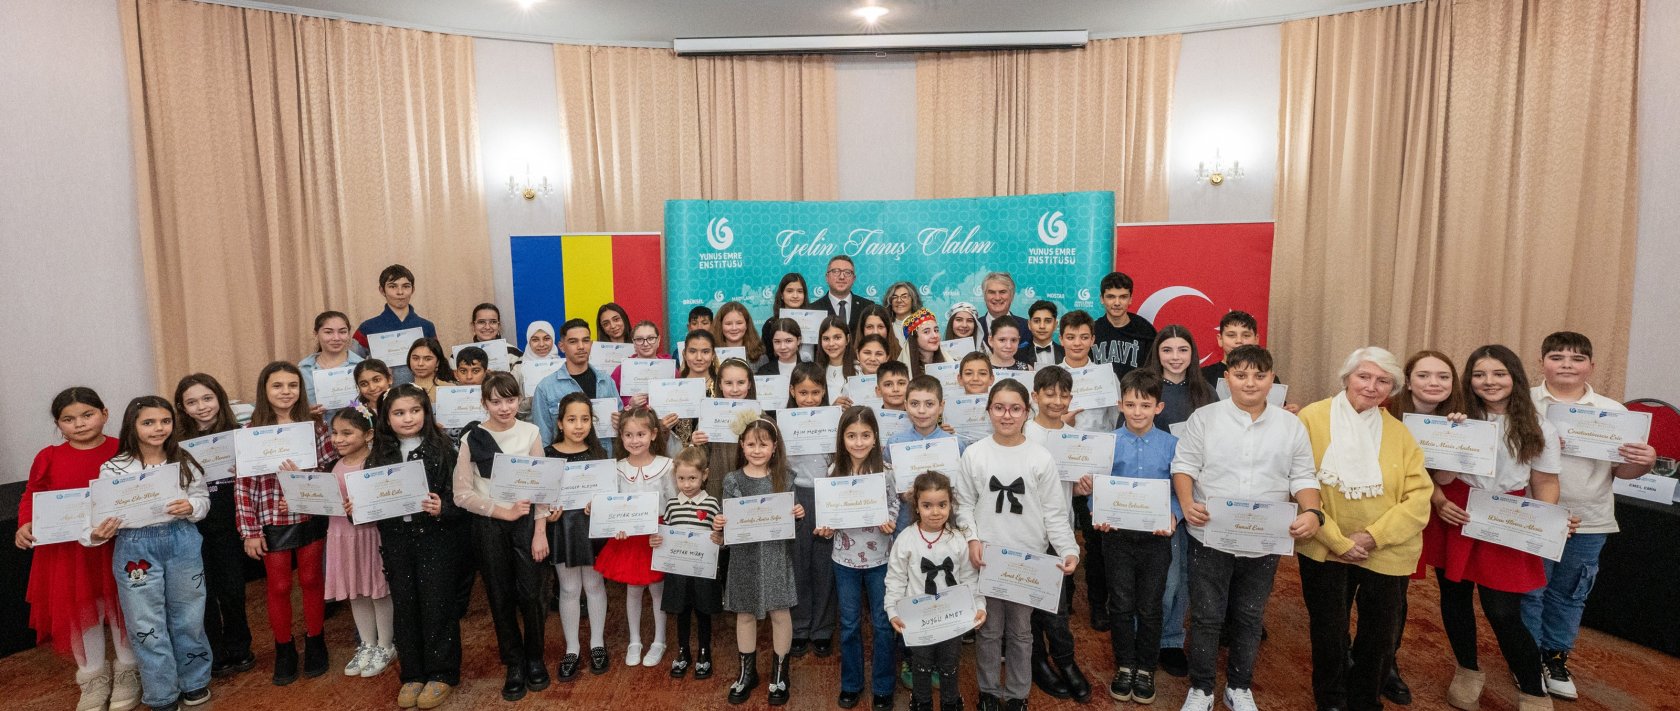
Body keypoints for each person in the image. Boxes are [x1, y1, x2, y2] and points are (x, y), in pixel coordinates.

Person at [1171, 345, 1322, 711]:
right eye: (1241, 375)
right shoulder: (1204, 418)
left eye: (1259, 375)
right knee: (1207, 616)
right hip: (1210, 535)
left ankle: (1238, 686)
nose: (1250, 383)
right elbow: (1184, 466)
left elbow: (1303, 475)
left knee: (1249, 615)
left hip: (1265, 541)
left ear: (1272, 380)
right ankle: (1202, 689)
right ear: (1227, 379)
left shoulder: (1291, 426)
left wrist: (1313, 511)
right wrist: (1188, 503)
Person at [1422, 345, 1571, 711]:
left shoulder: (1539, 426)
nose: (1489, 381)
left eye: (1499, 373)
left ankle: (1533, 690)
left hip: (1507, 514)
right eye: (1479, 374)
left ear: (1514, 377)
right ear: (1468, 380)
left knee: (1503, 611)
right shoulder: (1455, 418)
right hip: (1456, 509)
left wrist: (1543, 522)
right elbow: (1437, 476)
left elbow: (1545, 481)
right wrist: (1453, 441)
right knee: (1454, 598)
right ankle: (1467, 670)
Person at [1295, 347, 1433, 711]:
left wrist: (1372, 537)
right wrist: (1337, 540)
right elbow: (1297, 483)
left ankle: (1365, 700)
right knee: (1328, 631)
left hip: (1386, 550)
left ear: (1392, 388)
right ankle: (1331, 699)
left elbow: (1419, 498)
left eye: (1383, 381)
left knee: (1380, 635)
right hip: (1324, 545)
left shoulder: (1400, 434)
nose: (1372, 387)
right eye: (1364, 376)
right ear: (1346, 378)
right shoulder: (1312, 418)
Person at [1522, 332, 1656, 700]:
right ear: (1541, 362)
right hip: (1533, 514)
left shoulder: (1615, 412)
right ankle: (1526, 659)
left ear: (1591, 366)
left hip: (1590, 518)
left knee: (1569, 593)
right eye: (1557, 356)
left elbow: (1622, 472)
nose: (1566, 364)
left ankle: (1554, 658)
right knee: (1530, 591)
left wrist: (1643, 463)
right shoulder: (1523, 402)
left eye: (1577, 358)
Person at [954, 379, 1080, 711]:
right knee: (989, 630)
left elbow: (1054, 512)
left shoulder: (1040, 457)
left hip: (1028, 559)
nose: (1006, 415)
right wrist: (972, 538)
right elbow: (963, 504)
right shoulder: (975, 454)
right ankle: (988, 691)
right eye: (999, 408)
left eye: (1015, 408)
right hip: (987, 558)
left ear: (1027, 411)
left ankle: (1017, 694)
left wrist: (1069, 549)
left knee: (1022, 632)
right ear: (988, 411)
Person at [86, 397, 213, 711]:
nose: (158, 428)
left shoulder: (183, 459)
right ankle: (161, 692)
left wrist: (191, 506)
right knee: (145, 623)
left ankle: (194, 680)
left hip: (181, 540)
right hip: (135, 547)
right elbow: (99, 515)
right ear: (133, 425)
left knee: (190, 615)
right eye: (148, 422)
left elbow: (202, 498)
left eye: (165, 421)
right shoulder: (114, 468)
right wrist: (98, 533)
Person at [18, 388, 140, 711]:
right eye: (69, 419)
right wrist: (25, 522)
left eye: (87, 415)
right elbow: (32, 493)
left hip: (116, 545)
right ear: (58, 425)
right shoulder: (48, 456)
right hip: (69, 553)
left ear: (105, 413)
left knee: (124, 608)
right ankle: (92, 678)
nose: (80, 424)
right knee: (83, 613)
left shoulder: (124, 448)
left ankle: (129, 672)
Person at [1375, 349, 1467, 704]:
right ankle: (1362, 655)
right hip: (1380, 508)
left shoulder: (1459, 419)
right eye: (1424, 375)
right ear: (1408, 381)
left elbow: (1442, 478)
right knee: (1377, 589)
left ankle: (1387, 663)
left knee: (1396, 592)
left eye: (1443, 376)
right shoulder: (1383, 412)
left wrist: (1456, 441)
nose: (1433, 383)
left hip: (1421, 511)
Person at [367, 384, 466, 710]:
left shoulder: (443, 450)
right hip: (397, 541)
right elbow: (369, 501)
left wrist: (443, 508)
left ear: (426, 412)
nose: (407, 418)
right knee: (405, 606)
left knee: (438, 604)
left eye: (414, 411)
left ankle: (442, 672)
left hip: (436, 540)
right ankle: (412, 673)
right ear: (387, 418)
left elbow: (461, 497)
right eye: (399, 413)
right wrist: (358, 506)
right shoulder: (379, 455)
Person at [235, 362, 335, 686]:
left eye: (292, 385)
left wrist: (303, 481)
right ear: (264, 390)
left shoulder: (315, 426)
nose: (286, 392)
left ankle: (316, 640)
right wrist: (249, 531)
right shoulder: (250, 431)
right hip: (271, 517)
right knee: (278, 586)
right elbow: (243, 484)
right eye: (277, 386)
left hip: (309, 512)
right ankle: (284, 648)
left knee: (311, 579)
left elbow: (329, 468)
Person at [1084, 369, 1180, 705]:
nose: (1137, 411)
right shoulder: (1107, 443)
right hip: (1118, 538)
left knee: (1151, 605)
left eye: (1145, 405)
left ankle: (1146, 668)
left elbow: (1180, 490)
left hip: (1156, 539)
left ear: (1158, 407)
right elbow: (1096, 487)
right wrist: (1097, 510)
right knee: (1122, 603)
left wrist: (1174, 515)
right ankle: (1125, 664)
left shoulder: (1172, 445)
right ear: (1120, 405)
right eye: (1131, 404)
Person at [452, 372, 549, 701]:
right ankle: (514, 662)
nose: (504, 407)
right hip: (489, 525)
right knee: (499, 594)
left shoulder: (531, 432)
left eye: (510, 400)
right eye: (496, 401)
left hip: (526, 524)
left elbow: (543, 486)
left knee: (532, 594)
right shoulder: (472, 439)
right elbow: (461, 494)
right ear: (484, 403)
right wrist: (500, 511)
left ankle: (535, 657)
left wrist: (540, 531)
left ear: (519, 400)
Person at [713, 415, 806, 706]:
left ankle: (780, 674)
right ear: (741, 445)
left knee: (780, 612)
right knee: (744, 613)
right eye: (751, 444)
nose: (756, 450)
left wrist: (798, 516)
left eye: (763, 444)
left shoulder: (785, 478)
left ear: (774, 447)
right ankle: (747, 673)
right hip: (744, 557)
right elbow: (728, 527)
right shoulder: (732, 480)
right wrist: (720, 525)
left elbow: (792, 526)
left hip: (776, 555)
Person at [1139, 328, 1217, 678]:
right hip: (1157, 495)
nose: (1174, 357)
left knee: (1185, 574)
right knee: (1162, 577)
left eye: (1182, 350)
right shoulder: (1144, 386)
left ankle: (1171, 639)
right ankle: (1146, 636)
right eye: (1167, 349)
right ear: (1157, 353)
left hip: (1197, 495)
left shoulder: (1206, 392)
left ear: (1192, 353)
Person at [298, 407, 395, 681]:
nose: (338, 439)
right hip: (341, 536)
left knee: (377, 590)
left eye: (347, 433)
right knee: (355, 591)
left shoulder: (375, 463)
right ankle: (367, 643)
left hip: (369, 536)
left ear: (369, 435)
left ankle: (386, 645)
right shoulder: (333, 465)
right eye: (335, 433)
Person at [817, 407, 900, 710]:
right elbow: (827, 514)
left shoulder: (886, 471)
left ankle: (883, 686)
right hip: (845, 561)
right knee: (849, 624)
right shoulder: (833, 472)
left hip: (881, 559)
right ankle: (851, 684)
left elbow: (894, 504)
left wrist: (890, 520)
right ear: (842, 438)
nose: (859, 442)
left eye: (865, 435)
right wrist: (826, 528)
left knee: (882, 624)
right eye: (851, 436)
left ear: (875, 437)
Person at [174, 374, 257, 678]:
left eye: (207, 398)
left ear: (219, 399)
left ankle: (240, 646)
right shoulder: (175, 443)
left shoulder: (240, 433)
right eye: (192, 402)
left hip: (229, 521)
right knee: (203, 593)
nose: (202, 407)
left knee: (232, 589)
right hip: (192, 525)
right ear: (182, 408)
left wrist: (246, 468)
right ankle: (214, 652)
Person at [884, 471, 986, 711]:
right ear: (916, 506)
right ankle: (922, 702)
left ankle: (951, 702)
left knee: (950, 664)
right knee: (921, 665)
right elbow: (895, 579)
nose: (935, 512)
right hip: (919, 619)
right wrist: (892, 610)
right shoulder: (906, 539)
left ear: (951, 505)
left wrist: (979, 605)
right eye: (927, 505)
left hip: (952, 617)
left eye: (942, 504)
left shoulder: (958, 540)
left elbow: (970, 579)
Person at [1019, 366, 1089, 702]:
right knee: (1029, 605)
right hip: (1025, 531)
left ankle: (1066, 660)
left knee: (1058, 608)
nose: (1057, 401)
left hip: (1059, 530)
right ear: (1035, 396)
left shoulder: (1074, 437)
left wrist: (1082, 485)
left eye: (1063, 395)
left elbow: (1074, 485)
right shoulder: (1023, 433)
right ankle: (1037, 661)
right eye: (1049, 394)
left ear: (1070, 398)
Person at [596, 407, 676, 668]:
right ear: (621, 436)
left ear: (653, 434)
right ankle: (635, 640)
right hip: (629, 538)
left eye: (640, 434)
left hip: (657, 536)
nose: (634, 440)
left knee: (657, 589)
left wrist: (666, 530)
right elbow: (612, 505)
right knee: (633, 589)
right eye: (628, 435)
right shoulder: (617, 469)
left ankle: (659, 640)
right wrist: (615, 526)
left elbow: (674, 503)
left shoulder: (666, 466)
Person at [544, 393, 613, 679]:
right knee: (570, 589)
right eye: (572, 419)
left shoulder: (599, 454)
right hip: (562, 529)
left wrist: (601, 504)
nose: (579, 425)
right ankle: (572, 647)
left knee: (595, 585)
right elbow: (541, 499)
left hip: (591, 529)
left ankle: (597, 643)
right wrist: (548, 514)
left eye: (585, 419)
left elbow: (609, 495)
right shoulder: (548, 455)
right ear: (560, 423)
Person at [652, 447, 724, 680]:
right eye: (681, 479)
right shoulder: (672, 505)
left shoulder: (712, 504)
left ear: (705, 475)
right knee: (681, 612)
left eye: (692, 478)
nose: (687, 484)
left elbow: (720, 538)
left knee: (703, 612)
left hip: (703, 572)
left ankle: (704, 652)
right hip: (678, 571)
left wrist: (720, 539)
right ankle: (683, 651)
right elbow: (666, 535)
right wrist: (656, 540)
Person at [784, 363, 838, 658]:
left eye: (815, 392)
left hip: (827, 495)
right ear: (792, 391)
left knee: (824, 565)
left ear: (823, 392)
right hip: (796, 497)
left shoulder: (832, 420)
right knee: (798, 564)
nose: (809, 399)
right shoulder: (783, 423)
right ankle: (799, 627)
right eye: (803, 392)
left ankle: (822, 629)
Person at [530, 319, 621, 447]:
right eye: (573, 342)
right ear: (562, 346)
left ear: (591, 344)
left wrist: (621, 421)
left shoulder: (606, 381)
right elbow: (543, 439)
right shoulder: (545, 388)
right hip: (565, 458)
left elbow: (621, 425)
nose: (581, 346)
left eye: (585, 340)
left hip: (604, 455)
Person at [352, 264, 438, 385]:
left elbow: (437, 362)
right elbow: (352, 363)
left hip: (421, 392)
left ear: (413, 290)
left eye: (406, 286)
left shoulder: (426, 326)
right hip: (381, 393)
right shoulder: (367, 328)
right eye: (392, 286)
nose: (400, 292)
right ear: (382, 290)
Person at [1091, 271, 1157, 380]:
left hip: (1136, 390)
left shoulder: (1145, 330)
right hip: (1098, 390)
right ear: (1102, 299)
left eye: (1123, 297)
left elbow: (1153, 371)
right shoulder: (1092, 330)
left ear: (1130, 299)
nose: (1117, 303)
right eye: (1111, 297)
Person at [299, 310, 364, 417]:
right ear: (316, 334)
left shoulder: (362, 366)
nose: (336, 338)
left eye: (342, 332)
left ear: (348, 334)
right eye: (328, 332)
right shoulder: (303, 369)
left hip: (355, 426)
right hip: (316, 426)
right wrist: (306, 413)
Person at [976, 272, 1030, 353]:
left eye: (1002, 292)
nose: (997, 298)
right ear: (984, 296)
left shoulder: (1027, 327)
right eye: (992, 292)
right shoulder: (975, 327)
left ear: (1012, 296)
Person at [823, 255, 877, 331]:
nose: (842, 277)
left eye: (847, 272)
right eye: (836, 272)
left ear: (853, 279)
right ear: (827, 277)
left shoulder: (868, 306)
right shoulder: (813, 308)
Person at [713, 302, 768, 369]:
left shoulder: (760, 357)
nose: (734, 328)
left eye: (739, 323)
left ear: (747, 325)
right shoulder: (711, 355)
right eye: (728, 324)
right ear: (720, 326)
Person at [901, 308, 951, 379]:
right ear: (914, 338)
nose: (934, 336)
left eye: (936, 330)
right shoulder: (902, 371)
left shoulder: (949, 361)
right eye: (926, 332)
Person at [884, 282, 922, 352]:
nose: (899, 300)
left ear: (913, 300)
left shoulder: (923, 324)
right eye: (895, 297)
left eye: (904, 297)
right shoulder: (885, 327)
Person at [1025, 300, 1064, 369]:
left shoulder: (1066, 353)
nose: (1042, 326)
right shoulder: (1019, 354)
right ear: (1029, 324)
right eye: (1036, 321)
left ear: (1055, 325)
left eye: (1048, 321)